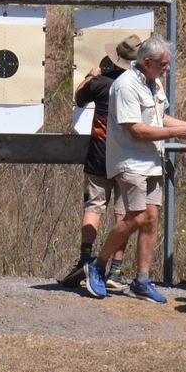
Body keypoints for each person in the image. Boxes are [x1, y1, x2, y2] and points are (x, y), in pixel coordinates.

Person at [83, 36, 186, 303]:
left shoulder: (155, 82)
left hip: (152, 161)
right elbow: (136, 129)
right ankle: (97, 265)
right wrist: (178, 131)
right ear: (147, 62)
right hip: (131, 162)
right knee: (136, 217)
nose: (168, 69)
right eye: (163, 64)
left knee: (150, 219)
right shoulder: (126, 85)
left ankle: (142, 279)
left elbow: (158, 117)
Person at [59, 35, 140, 290]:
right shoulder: (137, 86)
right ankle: (116, 270)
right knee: (123, 212)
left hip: (99, 153)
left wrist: (91, 76)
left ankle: (85, 259)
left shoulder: (101, 83)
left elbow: (78, 97)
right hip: (127, 154)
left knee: (93, 207)